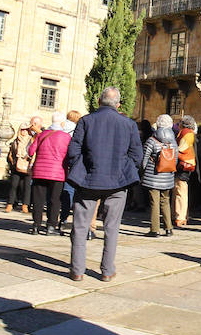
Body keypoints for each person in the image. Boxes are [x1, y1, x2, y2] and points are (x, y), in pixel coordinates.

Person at [65, 87, 142, 281]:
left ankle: (77, 270)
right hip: (117, 181)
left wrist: (79, 168)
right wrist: (125, 169)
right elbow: (137, 155)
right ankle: (107, 271)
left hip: (88, 180)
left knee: (80, 226)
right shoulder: (129, 124)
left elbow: (73, 151)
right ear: (118, 105)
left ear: (99, 101)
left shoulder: (86, 121)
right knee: (112, 227)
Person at [28, 117, 71, 235]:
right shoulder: (66, 137)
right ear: (62, 123)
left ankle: (36, 225)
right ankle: (51, 226)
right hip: (58, 173)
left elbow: (31, 151)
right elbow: (71, 154)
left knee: (38, 200)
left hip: (39, 171)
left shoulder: (41, 135)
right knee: (55, 200)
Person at [140, 114, 177, 237]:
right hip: (168, 176)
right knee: (165, 201)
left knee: (154, 202)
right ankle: (168, 228)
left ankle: (154, 229)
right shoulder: (173, 141)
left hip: (153, 176)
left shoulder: (152, 140)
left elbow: (144, 159)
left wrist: (142, 171)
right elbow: (175, 159)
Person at [173, 115, 198, 227]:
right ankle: (182, 215)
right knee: (182, 190)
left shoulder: (186, 133)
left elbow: (181, 149)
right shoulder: (190, 133)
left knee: (180, 191)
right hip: (187, 164)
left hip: (183, 165)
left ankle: (180, 217)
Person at [4, 125, 33, 212]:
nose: (24, 132)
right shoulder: (15, 141)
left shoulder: (31, 140)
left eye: (26, 130)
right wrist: (12, 161)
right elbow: (11, 152)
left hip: (27, 166)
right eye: (22, 130)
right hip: (16, 165)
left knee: (27, 187)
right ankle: (10, 203)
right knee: (14, 185)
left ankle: (25, 205)